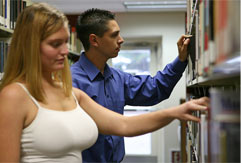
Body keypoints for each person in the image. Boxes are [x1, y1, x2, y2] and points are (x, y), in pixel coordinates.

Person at [0, 3, 209, 163]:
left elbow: (126, 122)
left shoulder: (74, 91)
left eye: (65, 43)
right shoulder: (25, 94)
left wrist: (177, 110)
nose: (65, 52)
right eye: (55, 44)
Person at [70, 8, 193, 163]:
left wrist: (180, 61)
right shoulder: (71, 82)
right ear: (94, 40)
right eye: (114, 35)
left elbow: (155, 88)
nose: (121, 39)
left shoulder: (117, 78)